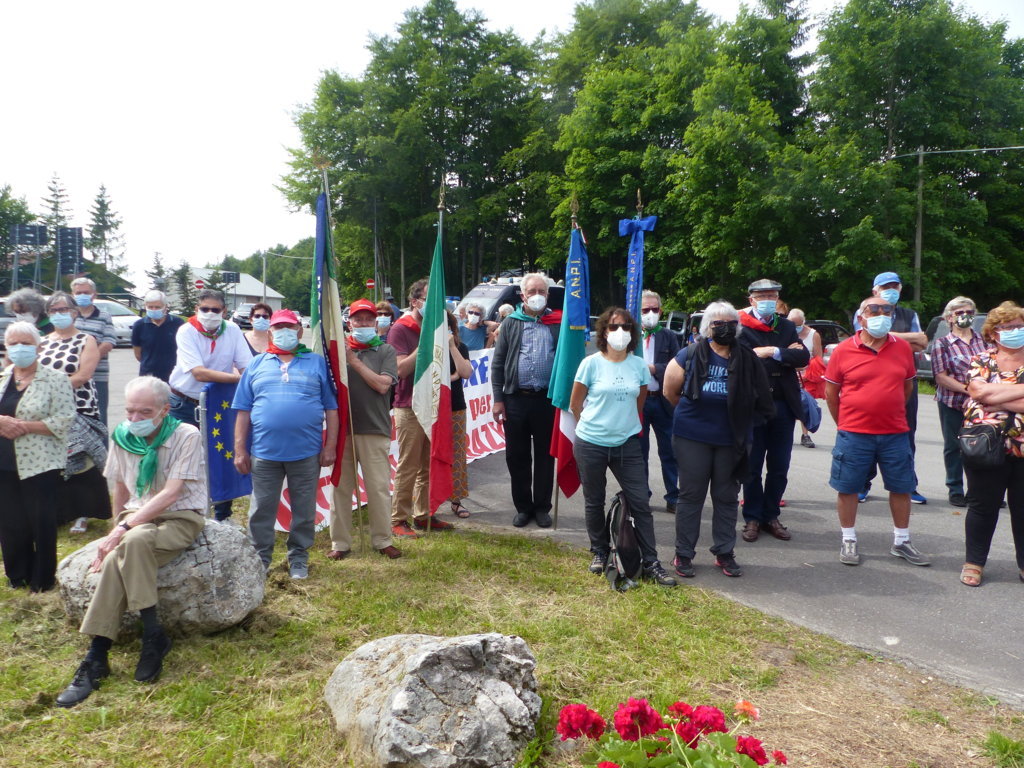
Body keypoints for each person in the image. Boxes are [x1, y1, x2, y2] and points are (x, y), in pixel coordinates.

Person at [55, 376, 208, 708]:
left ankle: (100, 654)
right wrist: (115, 529)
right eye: (130, 411)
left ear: (165, 410)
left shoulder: (186, 435)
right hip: (137, 520)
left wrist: (120, 532)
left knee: (130, 542)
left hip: (180, 517)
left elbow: (172, 492)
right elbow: (121, 489)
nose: (135, 418)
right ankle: (145, 638)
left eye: (145, 412)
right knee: (126, 548)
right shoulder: (122, 436)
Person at [663, 302, 775, 578]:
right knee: (691, 496)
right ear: (707, 328)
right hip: (692, 436)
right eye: (718, 324)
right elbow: (670, 391)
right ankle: (683, 553)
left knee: (726, 497)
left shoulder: (748, 359)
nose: (725, 328)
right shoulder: (689, 354)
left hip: (732, 439)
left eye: (731, 323)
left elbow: (762, 399)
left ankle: (724, 552)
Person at [570, 307, 676, 587]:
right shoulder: (590, 364)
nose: (620, 332)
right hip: (591, 443)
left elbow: (639, 403)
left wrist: (621, 426)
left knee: (640, 502)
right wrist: (594, 429)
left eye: (626, 327)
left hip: (627, 444)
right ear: (604, 331)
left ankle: (651, 561)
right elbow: (575, 404)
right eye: (614, 326)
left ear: (633, 332)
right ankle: (599, 550)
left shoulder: (639, 365)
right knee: (594, 500)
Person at [824, 296, 929, 567]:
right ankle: (848, 538)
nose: (882, 315)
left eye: (887, 311)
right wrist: (845, 422)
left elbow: (907, 388)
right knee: (848, 487)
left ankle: (902, 541)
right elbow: (831, 394)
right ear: (861, 318)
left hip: (895, 432)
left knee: (902, 487)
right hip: (854, 433)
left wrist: (887, 410)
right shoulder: (844, 350)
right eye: (874, 310)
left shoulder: (902, 349)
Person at [233, 309, 338, 579]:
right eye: (278, 328)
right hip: (264, 453)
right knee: (261, 509)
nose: (284, 333)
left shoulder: (316, 363)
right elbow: (243, 409)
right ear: (270, 332)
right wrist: (240, 449)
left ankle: (299, 558)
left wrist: (330, 446)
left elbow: (331, 408)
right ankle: (260, 559)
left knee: (304, 509)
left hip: (306, 452)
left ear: (299, 331)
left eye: (289, 328)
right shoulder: (256, 364)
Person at [0, 322, 76, 592]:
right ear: (6, 347)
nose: (19, 348)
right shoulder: (3, 376)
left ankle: (42, 581)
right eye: (14, 343)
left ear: (39, 347)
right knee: (10, 521)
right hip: (4, 462)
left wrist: (23, 426)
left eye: (26, 343)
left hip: (40, 462)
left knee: (41, 522)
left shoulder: (55, 379)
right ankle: (17, 575)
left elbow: (65, 419)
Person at [167, 289, 253, 521]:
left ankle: (222, 516)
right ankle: (185, 514)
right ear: (196, 309)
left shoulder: (232, 330)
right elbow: (199, 373)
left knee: (221, 456)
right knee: (183, 459)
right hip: (183, 402)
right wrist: (238, 379)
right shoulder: (187, 331)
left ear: (224, 311)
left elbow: (246, 367)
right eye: (205, 309)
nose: (210, 314)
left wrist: (248, 381)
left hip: (216, 404)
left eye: (215, 310)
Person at [328, 300, 401, 559]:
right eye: (358, 320)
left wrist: (353, 361)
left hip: (374, 428)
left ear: (375, 322)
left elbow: (382, 385)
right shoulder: (335, 351)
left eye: (368, 319)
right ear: (349, 323)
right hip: (343, 430)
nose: (363, 324)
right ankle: (340, 543)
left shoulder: (386, 350)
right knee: (340, 488)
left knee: (378, 488)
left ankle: (382, 540)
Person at [737, 279, 809, 543]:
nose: (768, 300)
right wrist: (783, 353)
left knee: (779, 465)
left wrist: (770, 351)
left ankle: (771, 515)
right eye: (762, 296)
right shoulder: (741, 326)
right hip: (754, 404)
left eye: (772, 295)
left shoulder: (786, 325)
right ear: (751, 300)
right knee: (752, 466)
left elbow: (803, 358)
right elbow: (742, 358)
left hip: (782, 404)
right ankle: (752, 517)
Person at [958, 302, 1024, 587]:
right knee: (982, 507)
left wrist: (994, 397)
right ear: (994, 333)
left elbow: (985, 395)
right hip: (985, 445)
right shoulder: (981, 360)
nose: (1015, 331)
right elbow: (977, 392)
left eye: (1019, 326)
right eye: (1008, 327)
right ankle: (974, 563)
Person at [852, 272, 928, 504]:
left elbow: (922, 342)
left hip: (904, 381)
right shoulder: (863, 311)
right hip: (869, 381)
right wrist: (906, 339)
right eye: (886, 287)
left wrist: (887, 336)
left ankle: (908, 485)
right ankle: (862, 484)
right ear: (875, 290)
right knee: (867, 434)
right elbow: (865, 337)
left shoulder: (909, 314)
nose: (891, 291)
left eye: (895, 286)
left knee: (906, 433)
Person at [491, 274, 560, 528]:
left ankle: (542, 507)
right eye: (532, 291)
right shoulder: (511, 323)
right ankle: (523, 507)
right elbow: (498, 363)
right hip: (515, 400)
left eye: (542, 291)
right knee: (516, 455)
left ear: (548, 294)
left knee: (545, 456)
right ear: (523, 295)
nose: (537, 295)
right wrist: (498, 399)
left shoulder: (557, 322)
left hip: (547, 400)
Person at [40, 292, 111, 534]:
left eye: (63, 309)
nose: (59, 314)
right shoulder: (43, 341)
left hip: (78, 408)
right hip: (47, 411)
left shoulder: (86, 340)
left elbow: (83, 375)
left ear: (73, 312)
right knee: (54, 462)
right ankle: (61, 511)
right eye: (54, 310)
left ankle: (83, 512)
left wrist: (50, 390)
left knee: (81, 461)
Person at [389, 279, 455, 536]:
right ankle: (398, 519)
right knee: (409, 464)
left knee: (428, 463)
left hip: (433, 404)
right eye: (430, 299)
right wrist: (425, 344)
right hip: (409, 405)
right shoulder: (400, 329)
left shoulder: (439, 327)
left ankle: (423, 513)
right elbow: (400, 369)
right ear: (415, 302)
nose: (436, 306)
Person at [932, 296, 987, 508]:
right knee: (954, 446)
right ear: (949, 317)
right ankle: (955, 489)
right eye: (959, 313)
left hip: (981, 403)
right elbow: (941, 377)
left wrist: (980, 394)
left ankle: (980, 490)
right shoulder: (942, 344)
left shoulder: (984, 341)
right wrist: (968, 390)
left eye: (969, 312)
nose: (965, 316)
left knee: (982, 445)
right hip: (952, 402)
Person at [638, 290, 681, 514]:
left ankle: (673, 496)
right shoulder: (629, 335)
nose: (650, 313)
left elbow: (678, 366)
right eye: (645, 310)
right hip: (638, 402)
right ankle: (641, 495)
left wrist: (654, 369)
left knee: (670, 451)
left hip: (663, 401)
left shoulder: (669, 336)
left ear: (661, 311)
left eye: (654, 309)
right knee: (639, 452)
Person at [70, 277, 118, 426]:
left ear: (94, 294)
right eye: (78, 293)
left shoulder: (104, 316)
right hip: (71, 375)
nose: (82, 295)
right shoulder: (68, 316)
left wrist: (88, 362)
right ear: (72, 295)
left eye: (86, 292)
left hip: (98, 375)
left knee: (99, 416)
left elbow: (108, 342)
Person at [447, 311, 474, 517]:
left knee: (457, 454)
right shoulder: (424, 348)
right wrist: (451, 376)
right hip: (430, 409)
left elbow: (465, 372)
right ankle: (426, 502)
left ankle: (456, 500)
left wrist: (452, 347)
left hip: (455, 407)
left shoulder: (460, 347)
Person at [788, 308, 823, 449]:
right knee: (787, 405)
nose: (795, 327)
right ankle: (786, 433)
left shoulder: (813, 335)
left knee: (806, 405)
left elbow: (818, 358)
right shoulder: (785, 332)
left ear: (803, 321)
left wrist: (807, 373)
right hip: (788, 374)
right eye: (792, 324)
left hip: (807, 376)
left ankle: (805, 434)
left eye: (798, 325)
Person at [131, 290, 185, 382]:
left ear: (165, 307)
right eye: (150, 307)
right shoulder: (139, 325)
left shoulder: (178, 323)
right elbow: (138, 354)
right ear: (145, 306)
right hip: (148, 374)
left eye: (157, 307)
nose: (154, 310)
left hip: (174, 374)